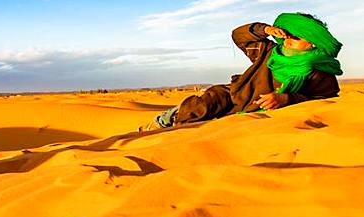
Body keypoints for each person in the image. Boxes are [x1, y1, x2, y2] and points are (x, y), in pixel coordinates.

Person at [144, 12, 343, 130]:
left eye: (296, 38)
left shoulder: (321, 71)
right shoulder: (268, 51)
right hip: (235, 95)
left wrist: (287, 98)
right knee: (202, 105)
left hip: (259, 113)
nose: (288, 42)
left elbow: (322, 99)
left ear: (314, 43)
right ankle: (165, 126)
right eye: (287, 36)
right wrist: (264, 30)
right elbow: (239, 36)